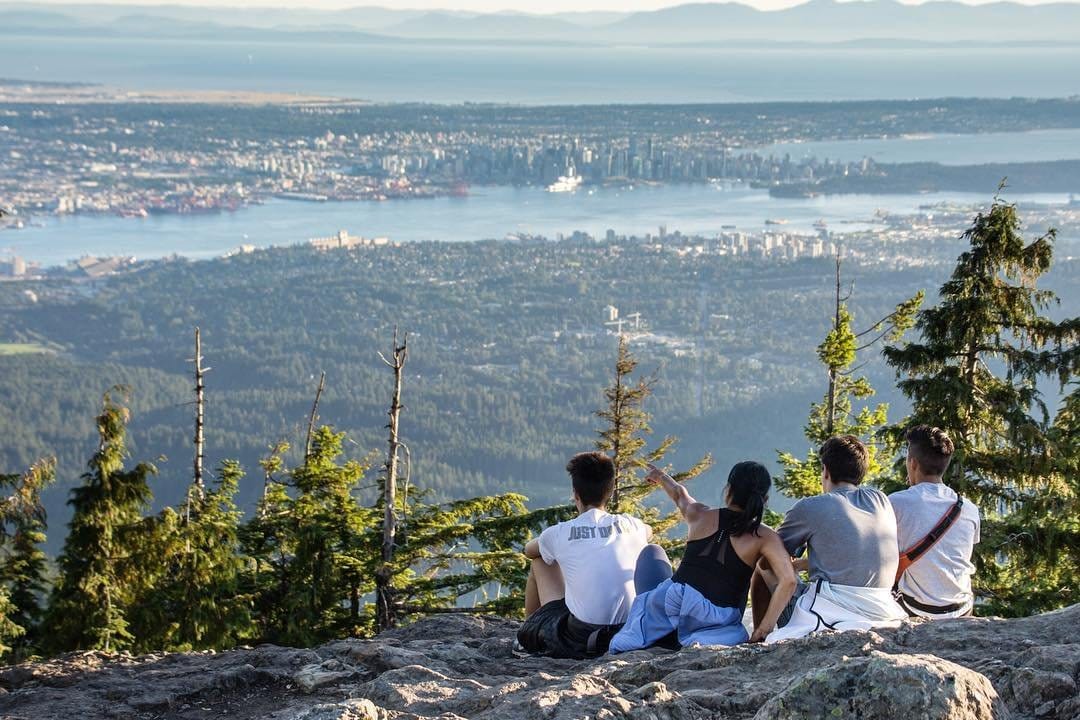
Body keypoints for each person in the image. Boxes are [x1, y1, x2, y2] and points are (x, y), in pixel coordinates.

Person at [608, 461, 797, 653]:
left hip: (671, 604)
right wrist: (762, 630)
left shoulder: (699, 514)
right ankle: (684, 636)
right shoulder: (765, 537)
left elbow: (679, 494)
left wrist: (660, 476)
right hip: (714, 623)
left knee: (653, 557)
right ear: (764, 499)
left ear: (728, 490)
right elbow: (788, 581)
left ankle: (656, 631)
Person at [751, 435, 906, 643]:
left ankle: (758, 637)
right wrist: (804, 565)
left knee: (764, 566)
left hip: (830, 616)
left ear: (825, 470)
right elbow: (853, 555)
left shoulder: (811, 507)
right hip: (884, 610)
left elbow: (768, 560)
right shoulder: (880, 500)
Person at [517, 451, 652, 658]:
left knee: (540, 562)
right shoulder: (633, 525)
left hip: (581, 638)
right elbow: (649, 532)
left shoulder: (559, 533)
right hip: (630, 630)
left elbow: (529, 550)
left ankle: (527, 638)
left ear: (576, 494)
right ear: (609, 491)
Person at [889, 424, 980, 618]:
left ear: (912, 463)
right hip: (962, 608)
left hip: (915, 609)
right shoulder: (969, 509)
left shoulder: (896, 503)